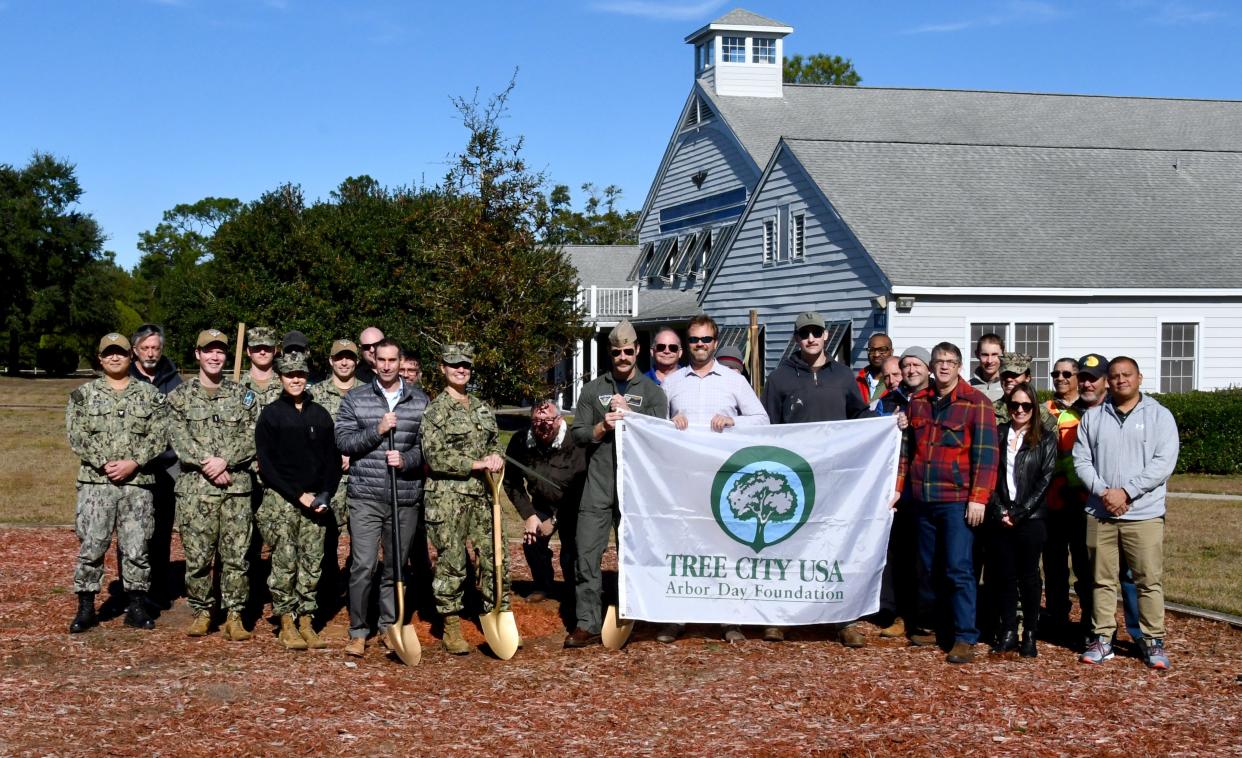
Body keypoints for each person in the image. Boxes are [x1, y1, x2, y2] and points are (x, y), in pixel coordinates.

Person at [762, 311, 872, 645]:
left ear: (826, 336)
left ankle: (844, 618)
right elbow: (767, 427)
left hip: (835, 476)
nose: (811, 338)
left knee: (835, 542)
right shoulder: (780, 377)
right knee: (787, 544)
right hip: (795, 475)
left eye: (816, 332)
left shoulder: (842, 375)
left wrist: (887, 424)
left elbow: (860, 416)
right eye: (804, 333)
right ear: (796, 339)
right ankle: (780, 616)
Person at [664, 314, 768, 644]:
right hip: (684, 479)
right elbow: (650, 425)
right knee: (682, 545)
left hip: (725, 479)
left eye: (705, 340)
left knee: (726, 547)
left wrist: (732, 422)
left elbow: (762, 419)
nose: (699, 345)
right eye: (694, 340)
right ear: (687, 343)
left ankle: (728, 618)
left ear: (715, 343)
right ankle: (677, 616)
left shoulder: (734, 381)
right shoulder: (672, 383)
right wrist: (670, 422)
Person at [566, 319, 668, 648]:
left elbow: (660, 436)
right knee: (586, 555)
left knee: (632, 555)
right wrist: (602, 426)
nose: (622, 357)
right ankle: (587, 622)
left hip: (633, 489)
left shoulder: (652, 392)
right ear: (610, 354)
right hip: (597, 485)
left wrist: (633, 418)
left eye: (628, 351)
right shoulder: (594, 390)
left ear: (637, 350)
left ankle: (630, 616)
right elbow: (578, 434)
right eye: (616, 352)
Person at [897, 341, 999, 664]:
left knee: (958, 567)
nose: (943, 367)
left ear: (959, 367)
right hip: (923, 498)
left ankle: (965, 635)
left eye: (950, 362)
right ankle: (929, 625)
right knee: (926, 567)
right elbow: (906, 451)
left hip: (957, 500)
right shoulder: (918, 402)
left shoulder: (976, 403)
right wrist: (901, 488)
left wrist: (978, 498)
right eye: (938, 361)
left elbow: (986, 457)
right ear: (931, 366)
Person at [1075, 357, 1179, 670]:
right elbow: (1082, 459)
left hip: (1143, 514)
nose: (1121, 380)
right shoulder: (1093, 417)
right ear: (1108, 381)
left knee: (1148, 580)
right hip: (1101, 512)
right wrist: (1105, 492)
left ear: (1139, 378)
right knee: (1100, 580)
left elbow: (1163, 463)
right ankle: (1102, 639)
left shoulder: (1159, 416)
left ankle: (1152, 641)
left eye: (1127, 375)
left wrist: (1127, 492)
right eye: (1115, 376)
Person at [65, 333, 169, 633]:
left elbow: (159, 434)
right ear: (100, 358)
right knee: (92, 545)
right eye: (108, 353)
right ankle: (86, 608)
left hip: (137, 484)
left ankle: (136, 606)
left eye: (121, 353)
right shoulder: (83, 395)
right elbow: (77, 435)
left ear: (130, 357)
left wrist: (133, 462)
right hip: (97, 484)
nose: (115, 358)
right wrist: (104, 462)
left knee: (136, 547)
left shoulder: (150, 396)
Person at [334, 338, 428, 657]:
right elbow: (344, 442)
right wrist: (377, 430)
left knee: (396, 567)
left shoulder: (419, 401)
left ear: (401, 362)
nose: (387, 365)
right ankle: (359, 630)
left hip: (404, 496)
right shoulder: (356, 398)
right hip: (366, 496)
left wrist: (406, 461)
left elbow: (424, 449)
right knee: (362, 565)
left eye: (393, 360)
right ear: (373, 361)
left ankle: (389, 626)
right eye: (381, 360)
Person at [167, 329, 261, 640]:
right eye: (209, 351)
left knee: (236, 555)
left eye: (220, 351)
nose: (215, 356)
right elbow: (177, 438)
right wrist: (208, 463)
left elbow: (253, 436)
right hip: (196, 490)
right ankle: (202, 611)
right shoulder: (179, 397)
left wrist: (226, 461)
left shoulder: (244, 396)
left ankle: (235, 614)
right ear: (197, 354)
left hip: (235, 487)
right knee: (197, 556)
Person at [1044, 353, 1142, 646]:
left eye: (1091, 378)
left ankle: (1126, 632)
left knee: (1108, 571)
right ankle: (1066, 622)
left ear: (1106, 382)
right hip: (1062, 502)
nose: (1085, 383)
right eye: (1082, 378)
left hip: (1109, 505)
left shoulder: (1118, 412)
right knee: (1058, 566)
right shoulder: (1057, 411)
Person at [420, 342, 507, 655]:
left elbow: (495, 443)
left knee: (494, 554)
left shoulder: (481, 407)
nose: (461, 370)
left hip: (483, 494)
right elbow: (435, 455)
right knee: (452, 559)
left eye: (466, 365)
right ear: (443, 368)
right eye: (454, 365)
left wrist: (496, 457)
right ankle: (451, 625)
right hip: (448, 496)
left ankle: (496, 614)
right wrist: (476, 464)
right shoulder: (436, 410)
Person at [255, 353, 341, 650]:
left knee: (312, 563)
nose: (295, 379)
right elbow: (267, 465)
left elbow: (332, 460)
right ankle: (286, 621)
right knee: (284, 562)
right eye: (289, 374)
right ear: (280, 377)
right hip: (283, 501)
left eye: (300, 375)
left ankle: (306, 618)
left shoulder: (320, 415)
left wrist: (326, 494)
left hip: (315, 503)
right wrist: (297, 494)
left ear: (308, 377)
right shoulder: (271, 415)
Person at [984, 382, 1055, 658]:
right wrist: (1000, 510)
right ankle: (1008, 630)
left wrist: (1019, 512)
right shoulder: (998, 434)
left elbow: (1045, 479)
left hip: (1031, 517)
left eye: (1026, 405)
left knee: (1029, 577)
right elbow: (989, 474)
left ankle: (1030, 633)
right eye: (1015, 405)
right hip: (1000, 515)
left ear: (1034, 408)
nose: (1020, 410)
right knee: (1005, 576)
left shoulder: (1045, 438)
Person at [503, 400, 587, 605]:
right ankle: (542, 584)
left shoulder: (576, 442)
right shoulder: (521, 441)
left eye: (548, 421)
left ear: (560, 419)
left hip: (574, 505)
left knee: (572, 552)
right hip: (541, 503)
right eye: (537, 421)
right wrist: (529, 515)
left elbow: (581, 486)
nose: (542, 427)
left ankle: (574, 591)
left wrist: (556, 520)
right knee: (532, 541)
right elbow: (511, 482)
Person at [875, 346, 931, 640]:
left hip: (925, 486)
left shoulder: (933, 399)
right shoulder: (885, 404)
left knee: (925, 559)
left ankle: (924, 618)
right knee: (896, 555)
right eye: (888, 376)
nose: (895, 379)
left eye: (898, 372)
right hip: (895, 490)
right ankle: (896, 613)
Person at [128, 323, 182, 606]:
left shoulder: (173, 380)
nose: (150, 353)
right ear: (135, 350)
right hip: (133, 468)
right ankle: (134, 591)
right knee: (132, 532)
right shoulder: (125, 377)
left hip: (165, 468)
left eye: (155, 348)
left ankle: (158, 590)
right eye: (145, 348)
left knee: (161, 531)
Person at [312, 339, 363, 598]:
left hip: (362, 476)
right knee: (325, 537)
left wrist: (353, 456)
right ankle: (327, 588)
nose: (344, 362)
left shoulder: (370, 392)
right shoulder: (315, 395)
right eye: (339, 357)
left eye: (349, 357)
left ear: (357, 361)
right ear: (331, 361)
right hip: (327, 479)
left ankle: (357, 590)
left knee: (362, 538)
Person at [992, 352, 1057, 431]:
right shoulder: (990, 411)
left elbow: (1052, 441)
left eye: (1014, 374)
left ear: (1027, 378)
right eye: (1004, 375)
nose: (1008, 379)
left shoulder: (1042, 415)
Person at [857, 333, 893, 408]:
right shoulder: (857, 381)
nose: (876, 355)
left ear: (891, 352)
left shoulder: (897, 382)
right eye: (872, 350)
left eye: (882, 350)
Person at [969, 333, 1005, 402]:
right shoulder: (967, 387)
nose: (989, 361)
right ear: (977, 354)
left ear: (1003, 354)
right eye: (985, 355)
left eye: (994, 354)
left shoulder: (1009, 386)